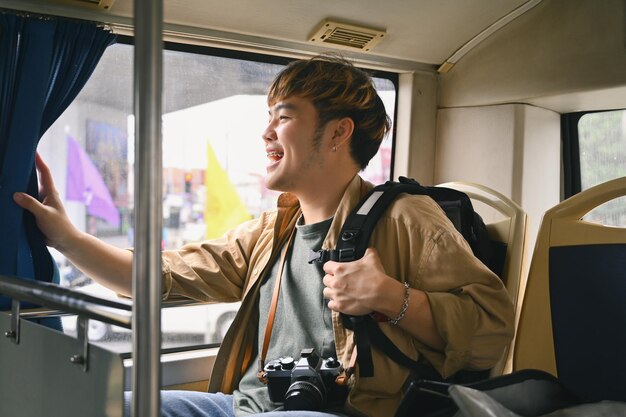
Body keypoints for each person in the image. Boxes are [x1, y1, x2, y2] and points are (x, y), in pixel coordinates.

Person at [14, 55, 514, 417]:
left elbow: (491, 330)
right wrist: (62, 237)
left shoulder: (406, 217)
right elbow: (158, 277)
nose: (267, 133)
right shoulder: (273, 230)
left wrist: (393, 298)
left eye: (284, 116)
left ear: (339, 133)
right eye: (268, 117)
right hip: (243, 408)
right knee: (91, 406)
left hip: (343, 414)